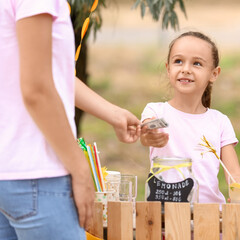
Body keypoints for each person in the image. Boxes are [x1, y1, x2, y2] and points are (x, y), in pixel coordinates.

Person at [0, 1, 141, 239]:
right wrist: (79, 168)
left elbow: (46, 71)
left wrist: (113, 114)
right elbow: (37, 90)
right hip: (38, 176)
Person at [140, 31, 240, 210]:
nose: (186, 69)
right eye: (178, 61)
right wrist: (149, 133)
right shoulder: (157, 112)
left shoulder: (219, 122)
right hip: (164, 218)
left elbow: (233, 172)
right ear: (168, 68)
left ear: (214, 74)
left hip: (210, 220)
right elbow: (147, 130)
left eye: (197, 63)